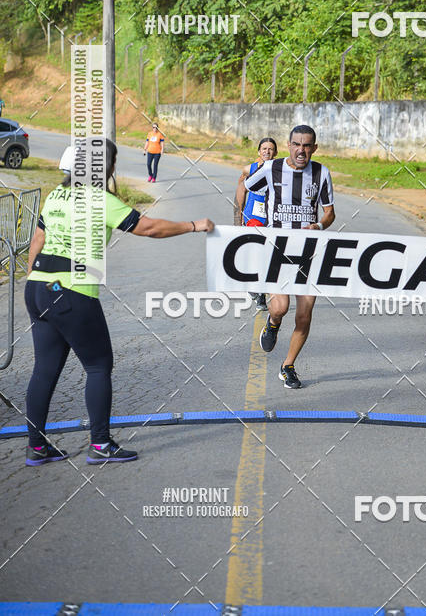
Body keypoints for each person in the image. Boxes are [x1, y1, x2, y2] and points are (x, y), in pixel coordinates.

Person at [24, 139, 214, 466]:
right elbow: (148, 227)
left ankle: (36, 447)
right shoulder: (100, 199)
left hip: (39, 286)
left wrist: (36, 283)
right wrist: (194, 225)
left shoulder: (57, 195)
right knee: (98, 366)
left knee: (43, 370)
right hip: (72, 290)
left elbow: (37, 240)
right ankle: (100, 445)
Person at [243, 125, 335, 389]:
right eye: (296, 144)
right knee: (281, 307)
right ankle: (273, 324)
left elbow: (329, 213)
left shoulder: (321, 173)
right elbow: (247, 184)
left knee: (304, 316)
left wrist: (318, 225)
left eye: (307, 146)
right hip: (277, 250)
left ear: (314, 148)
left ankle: (288, 366)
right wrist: (247, 220)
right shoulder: (272, 169)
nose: (301, 150)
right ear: (289, 144)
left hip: (309, 252)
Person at [234, 137, 278, 311]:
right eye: (264, 148)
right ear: (259, 151)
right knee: (256, 254)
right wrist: (239, 214)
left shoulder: (280, 170)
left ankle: (256, 287)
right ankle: (260, 295)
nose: (267, 151)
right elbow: (241, 189)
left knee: (268, 255)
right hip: (253, 217)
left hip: (272, 219)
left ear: (276, 152)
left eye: (271, 149)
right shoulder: (249, 169)